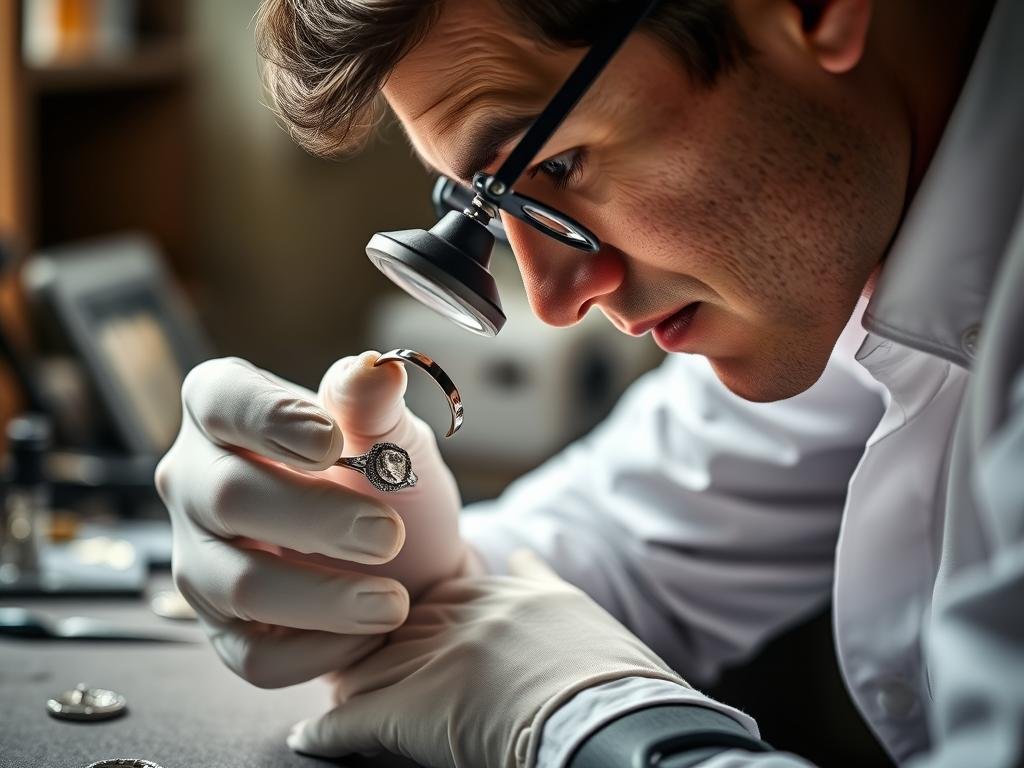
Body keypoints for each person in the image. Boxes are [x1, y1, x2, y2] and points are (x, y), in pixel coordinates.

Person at [155, 0, 1024, 766]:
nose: (558, 299)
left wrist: (600, 727)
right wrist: (397, 559)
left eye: (561, 166)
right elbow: (636, 533)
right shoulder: (853, 276)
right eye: (487, 208)